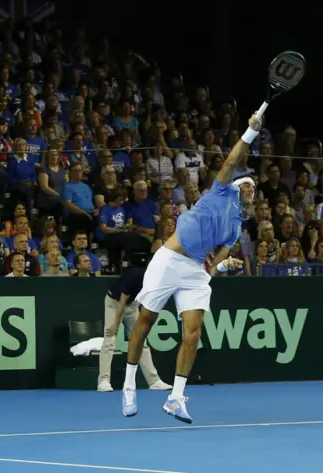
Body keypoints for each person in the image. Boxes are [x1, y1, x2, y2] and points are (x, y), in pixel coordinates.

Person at [120, 112, 260, 423]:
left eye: (253, 188)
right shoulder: (221, 191)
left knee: (193, 333)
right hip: (169, 260)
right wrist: (248, 133)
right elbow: (231, 163)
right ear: (236, 187)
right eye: (247, 185)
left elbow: (212, 268)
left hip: (195, 271)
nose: (251, 189)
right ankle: (129, 385)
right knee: (144, 322)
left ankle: (176, 397)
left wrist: (224, 266)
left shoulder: (236, 228)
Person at [98, 266, 172, 392]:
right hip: (114, 303)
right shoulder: (134, 276)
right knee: (109, 340)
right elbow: (122, 302)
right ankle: (103, 381)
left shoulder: (156, 280)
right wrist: (115, 325)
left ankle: (154, 381)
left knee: (141, 341)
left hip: (132, 305)